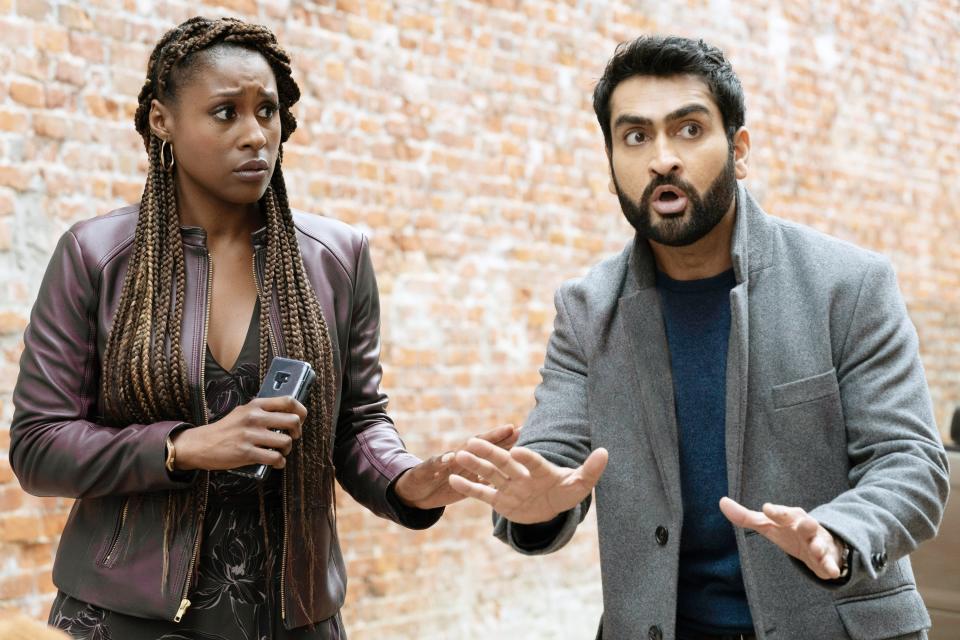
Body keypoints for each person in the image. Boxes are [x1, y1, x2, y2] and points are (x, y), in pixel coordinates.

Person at [10, 16, 516, 639]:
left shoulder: (336, 259)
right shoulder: (98, 257)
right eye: (225, 113)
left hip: (293, 618)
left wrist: (408, 481)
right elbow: (39, 445)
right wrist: (181, 447)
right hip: (125, 617)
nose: (256, 135)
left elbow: (357, 422)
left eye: (268, 112)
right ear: (162, 121)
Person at [449, 35, 949, 640]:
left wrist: (839, 534)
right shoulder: (585, 310)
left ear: (739, 150)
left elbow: (910, 463)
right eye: (635, 137)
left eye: (688, 129)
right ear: (611, 167)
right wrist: (536, 509)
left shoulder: (848, 285)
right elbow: (554, 458)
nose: (662, 159)